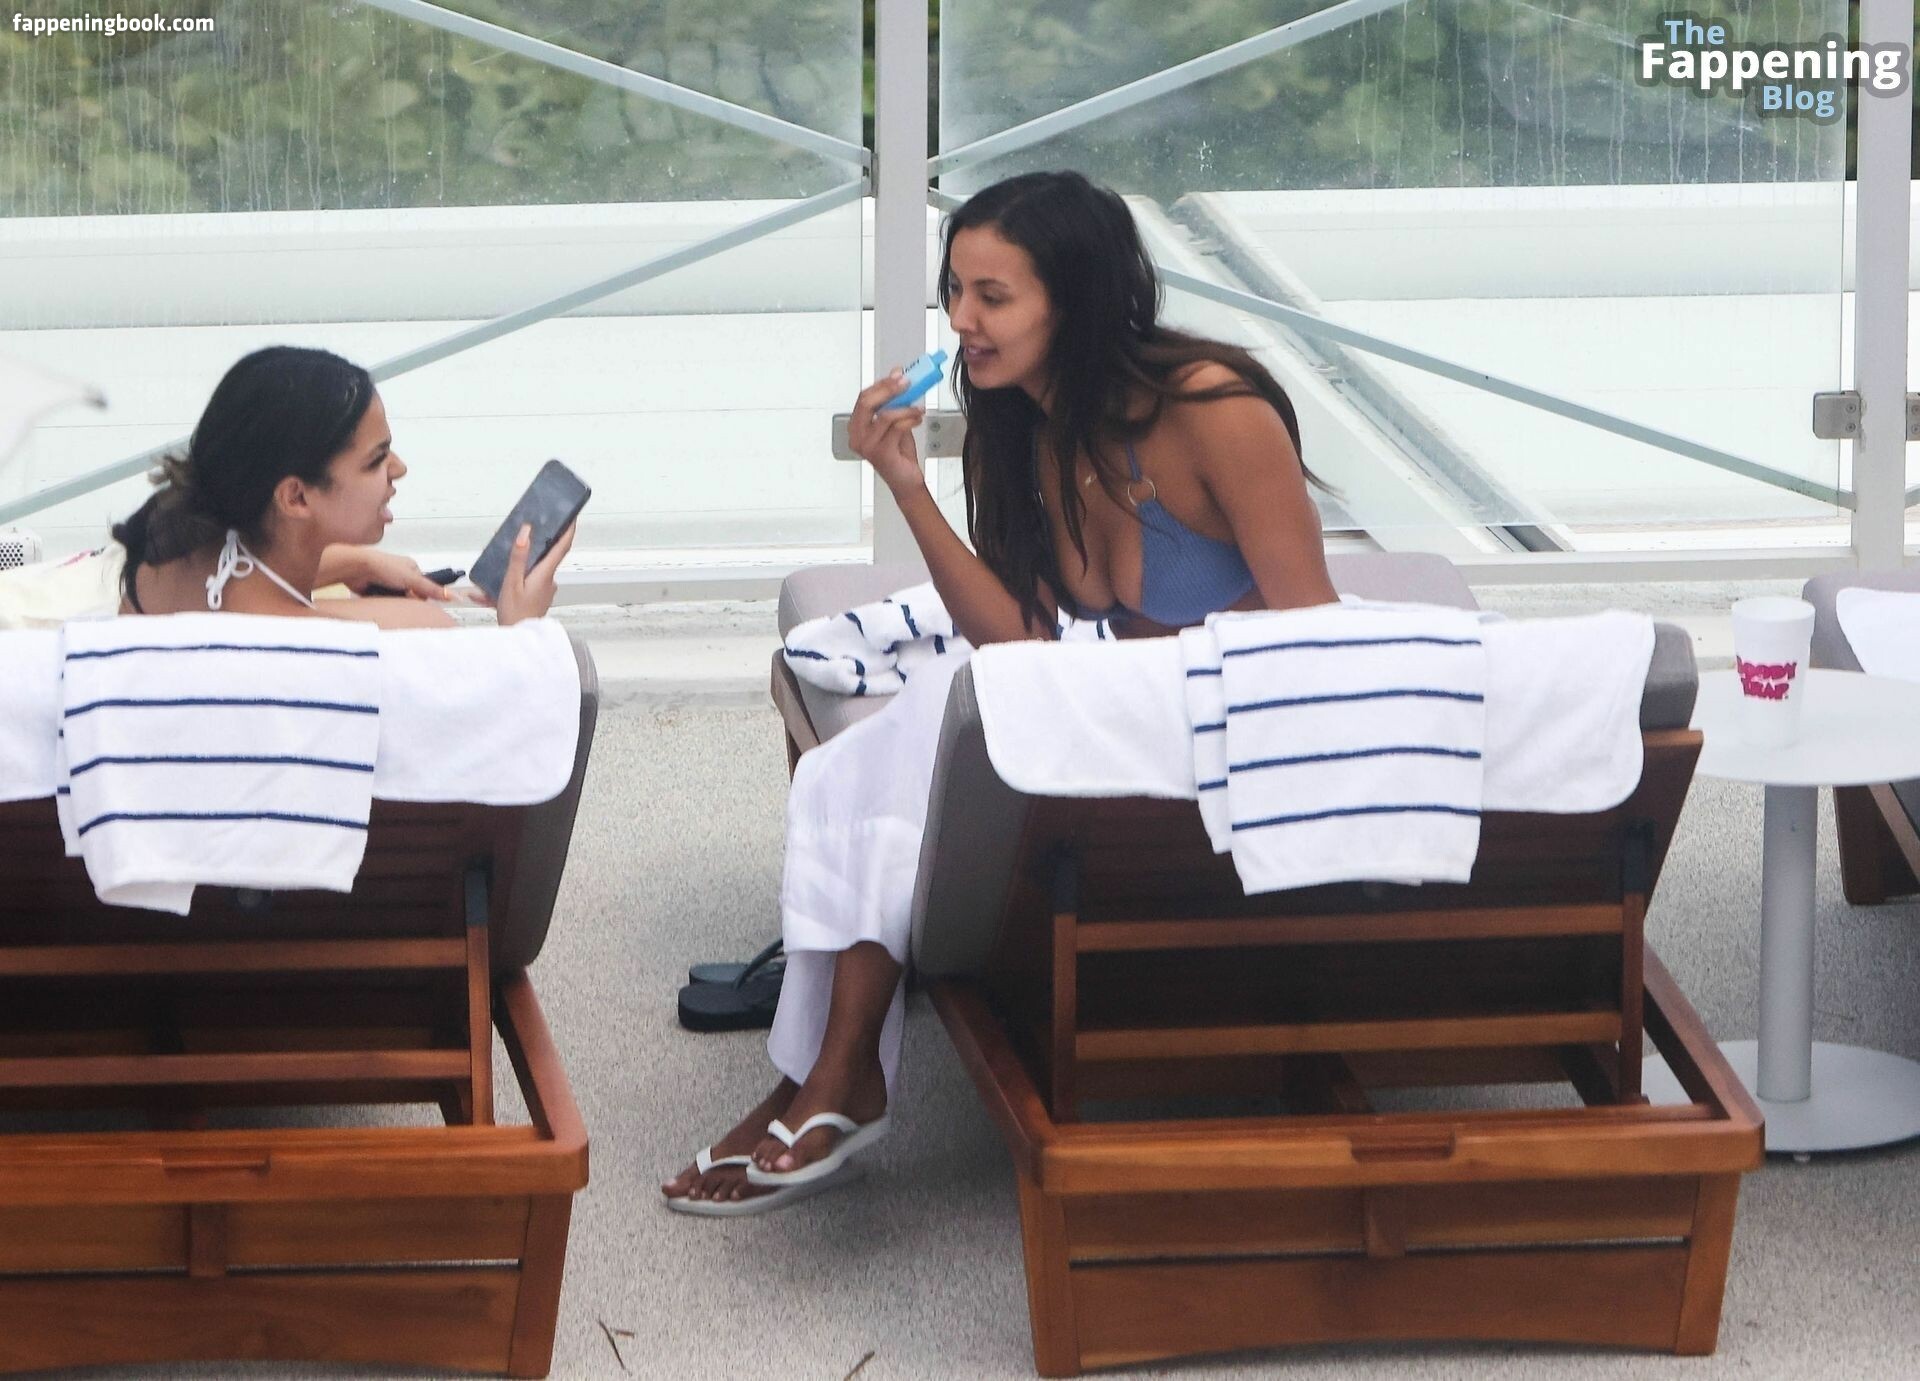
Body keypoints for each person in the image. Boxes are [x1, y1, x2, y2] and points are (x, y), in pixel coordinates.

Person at [663, 170, 1339, 1213]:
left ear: (1075, 296)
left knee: (932, 712)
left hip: (1236, 730)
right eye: (955, 292)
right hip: (1131, 710)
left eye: (993, 296)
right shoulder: (1022, 423)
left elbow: (1317, 637)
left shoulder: (1215, 410)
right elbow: (1019, 638)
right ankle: (822, 1076)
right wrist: (906, 485)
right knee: (884, 743)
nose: (961, 321)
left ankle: (835, 1077)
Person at [112, 345, 569, 626]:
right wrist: (522, 629)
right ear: (295, 496)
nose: (399, 469)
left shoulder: (155, 570)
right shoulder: (405, 632)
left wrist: (354, 562)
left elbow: (241, 573)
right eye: (376, 460)